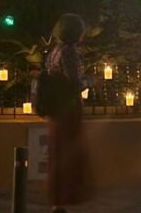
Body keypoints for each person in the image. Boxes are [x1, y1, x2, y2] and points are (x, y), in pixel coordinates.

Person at [45, 14, 93, 212]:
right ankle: (66, 197)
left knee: (58, 154)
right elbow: (74, 83)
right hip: (69, 109)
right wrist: (89, 82)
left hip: (56, 110)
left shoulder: (54, 51)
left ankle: (58, 201)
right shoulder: (70, 53)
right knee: (69, 154)